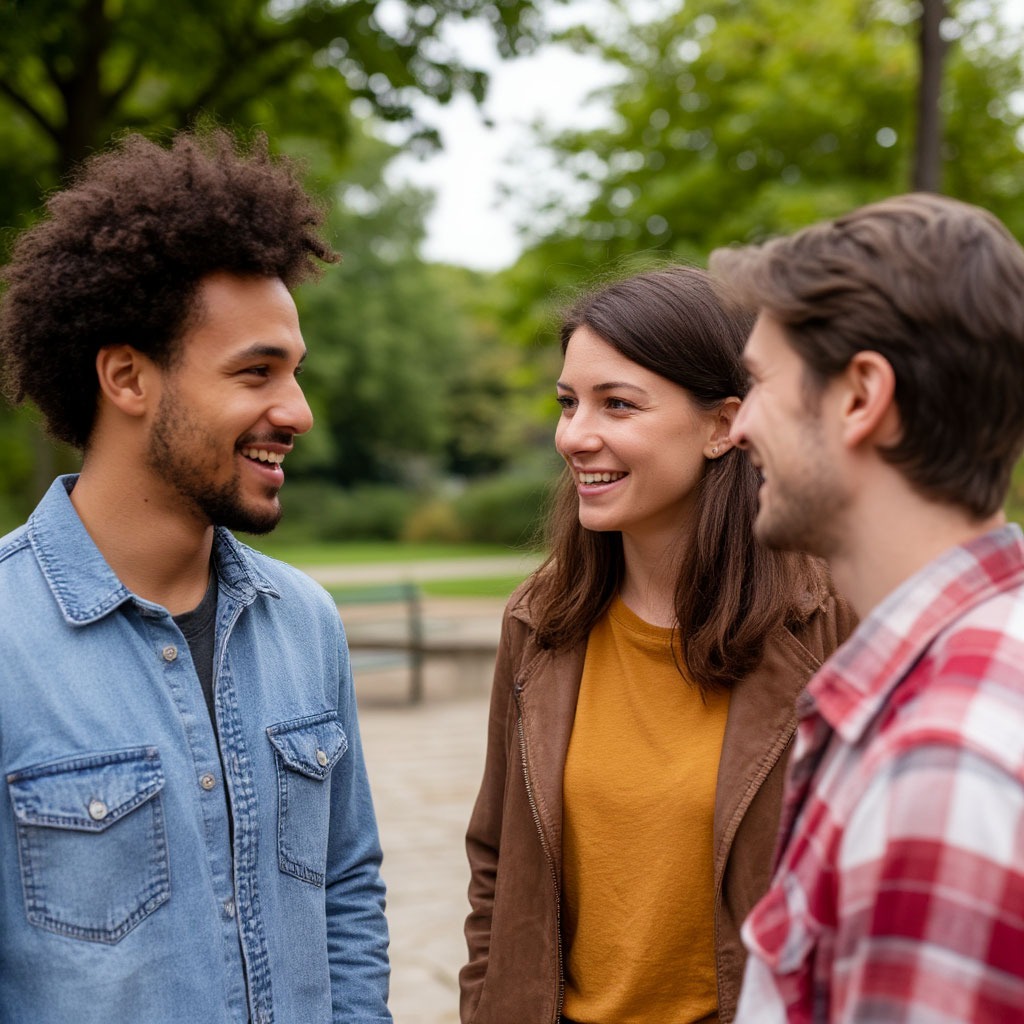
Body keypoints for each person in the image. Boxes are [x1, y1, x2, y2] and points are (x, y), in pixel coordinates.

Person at [0, 130, 391, 1023]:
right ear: (128, 377)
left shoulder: (306, 623)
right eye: (256, 372)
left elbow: (346, 890)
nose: (298, 411)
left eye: (294, 372)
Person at [459, 266, 854, 1024]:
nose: (575, 436)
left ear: (722, 425)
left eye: (618, 404)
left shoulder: (830, 617)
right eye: (569, 403)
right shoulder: (537, 624)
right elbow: (497, 869)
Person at [708, 193, 1024, 1021]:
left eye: (761, 384)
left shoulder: (940, 765)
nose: (740, 430)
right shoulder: (980, 666)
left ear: (860, 398)